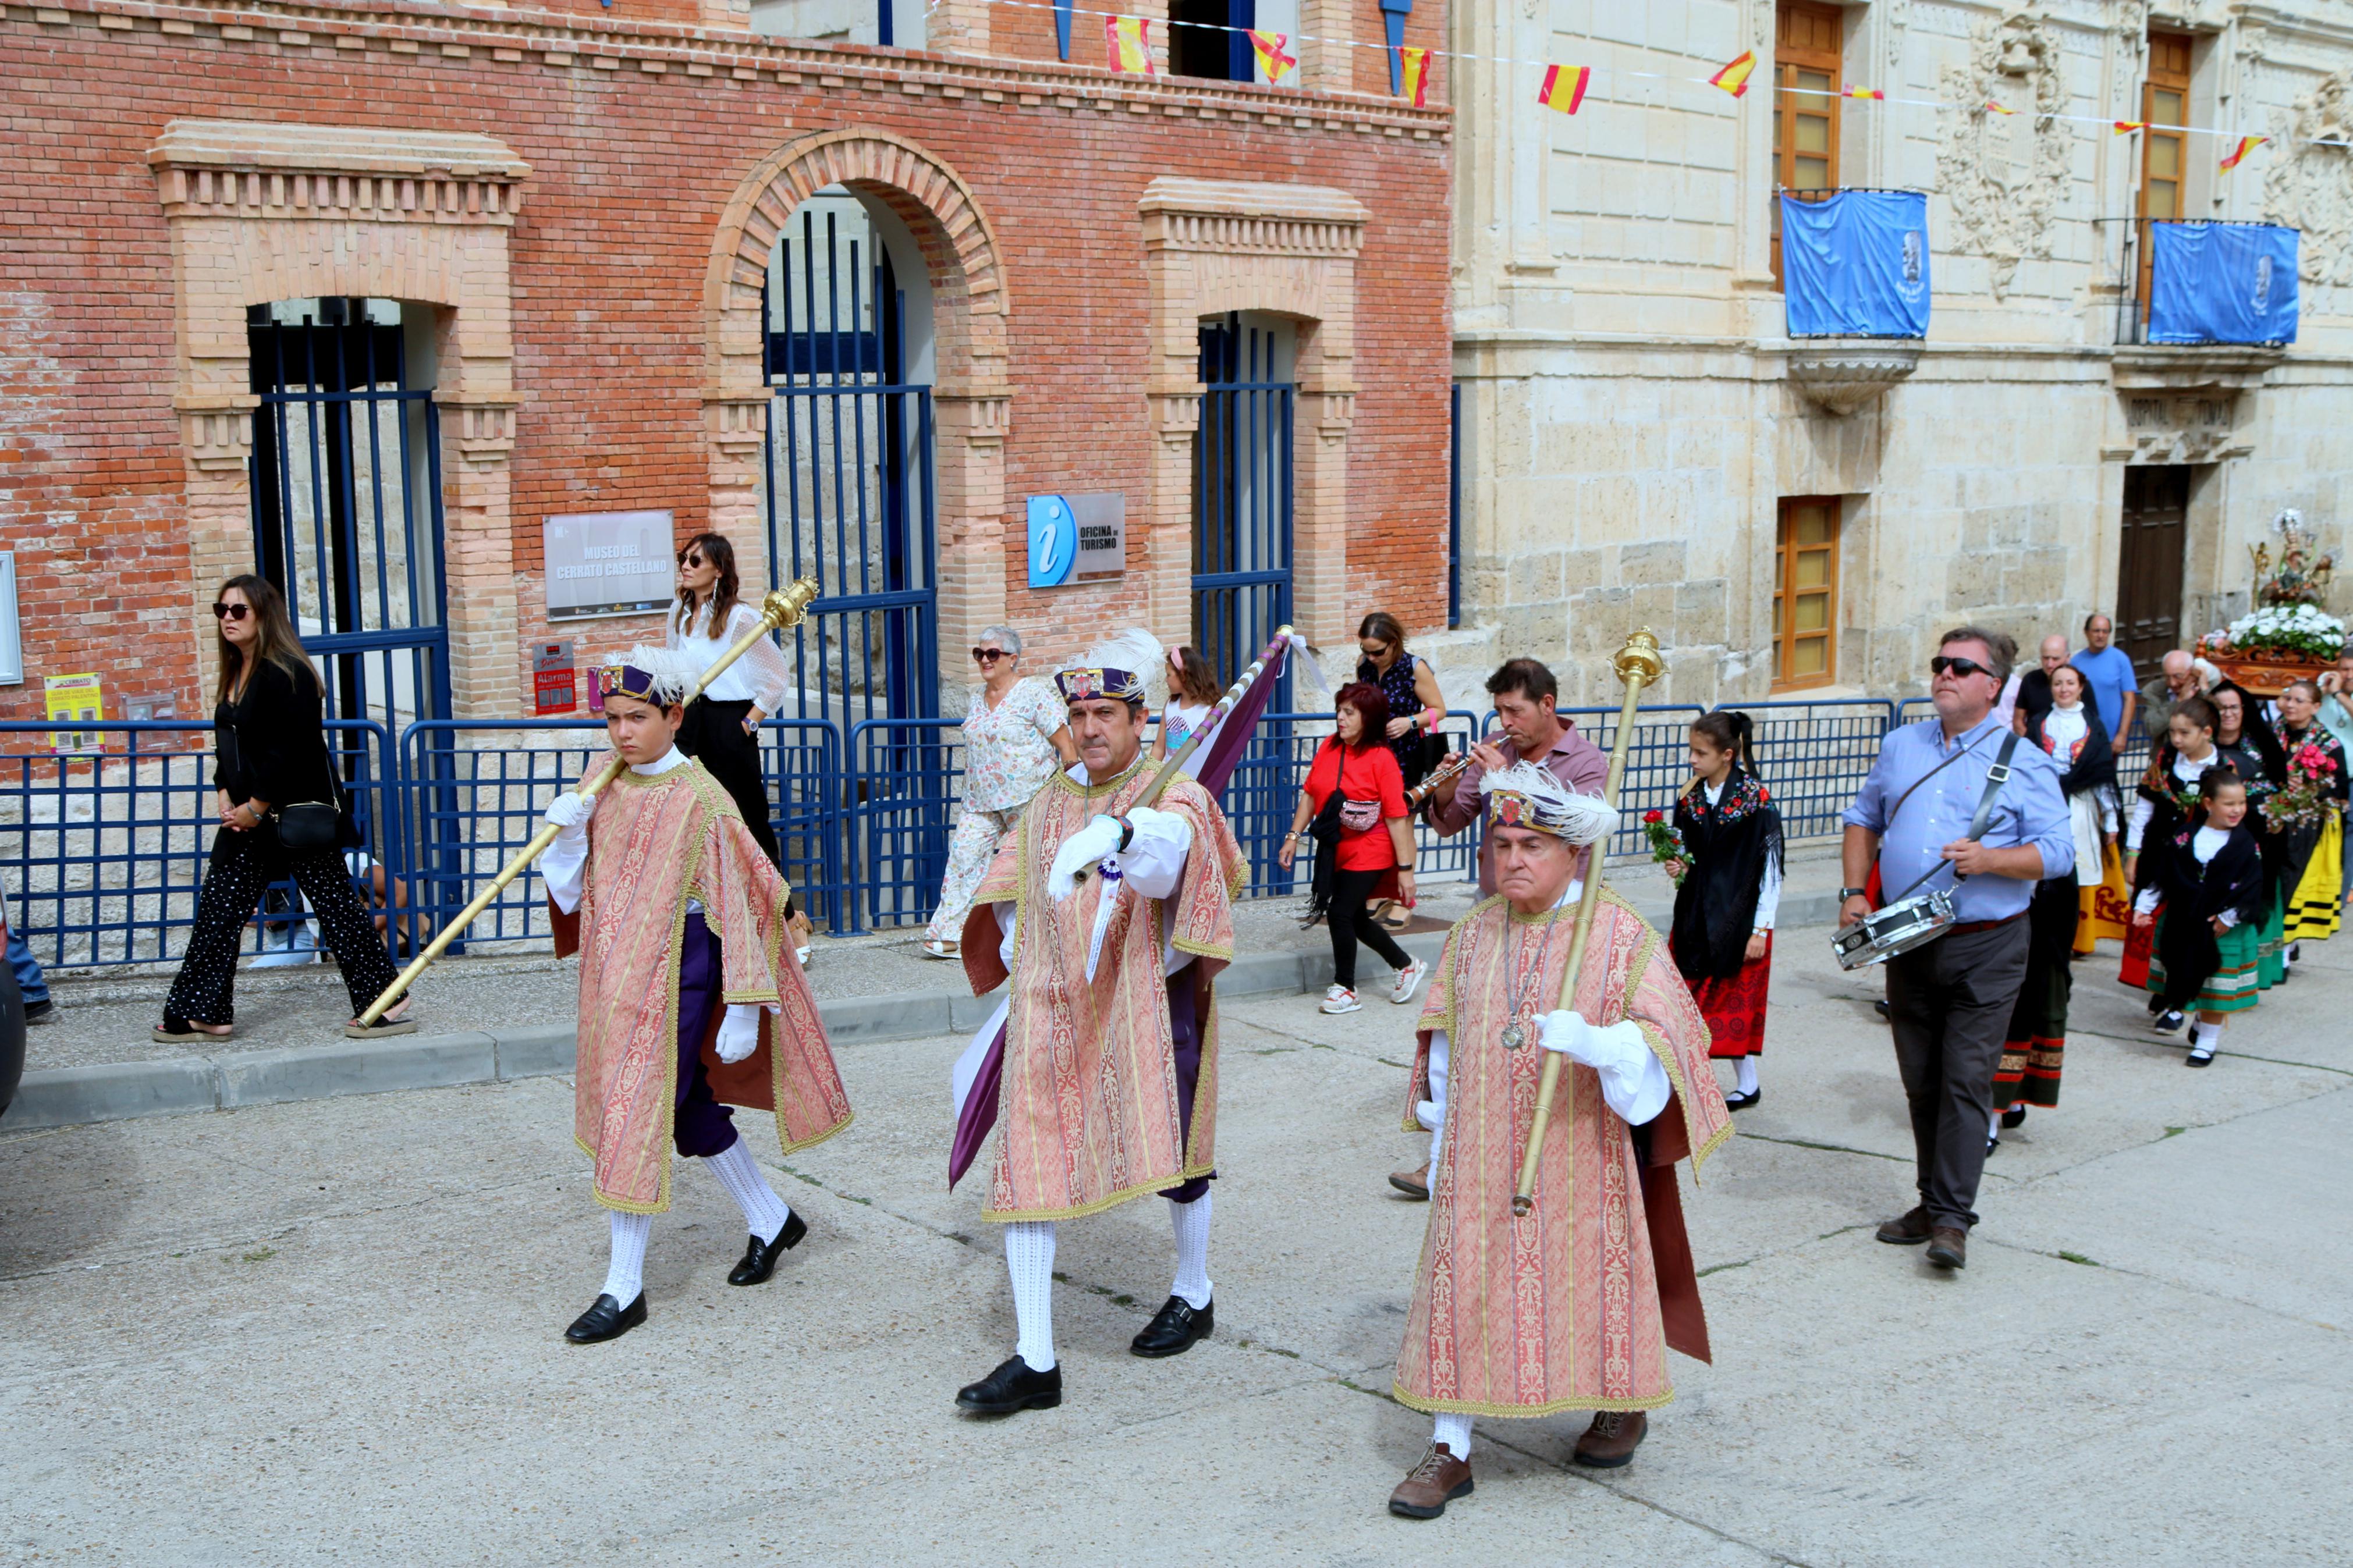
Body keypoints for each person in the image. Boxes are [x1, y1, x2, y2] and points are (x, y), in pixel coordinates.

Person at [1384, 763, 1730, 1519]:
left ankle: (1618, 1400)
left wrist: (1603, 1042)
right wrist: (1440, 1137)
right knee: (1463, 1285)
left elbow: (1669, 1044)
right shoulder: (1472, 934)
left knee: (1588, 1280)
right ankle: (1450, 1445)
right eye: (1500, 842)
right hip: (1479, 1155)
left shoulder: (1615, 933)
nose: (1510, 858)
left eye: (1530, 844)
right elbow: (1440, 1041)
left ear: (1571, 851)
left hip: (1581, 1152)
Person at [949, 630, 1247, 1418]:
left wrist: (1123, 832)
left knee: (1178, 1154)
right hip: (1053, 1004)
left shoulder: (1172, 790)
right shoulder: (1049, 797)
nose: (1088, 727)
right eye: (1078, 712)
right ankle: (1033, 1359)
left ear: (1141, 717)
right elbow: (1011, 883)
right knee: (1028, 1166)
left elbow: (1169, 858)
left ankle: (1192, 1288)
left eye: (1105, 712)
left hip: (1149, 997)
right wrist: (1017, 941)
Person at [538, 649, 852, 1344]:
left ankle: (622, 1288)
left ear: (674, 716)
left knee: (635, 1110)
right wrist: (563, 839)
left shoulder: (703, 801)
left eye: (637, 718)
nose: (622, 733)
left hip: (682, 971)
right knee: (684, 1110)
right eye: (612, 719)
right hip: (615, 974)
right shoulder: (603, 778)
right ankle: (772, 1218)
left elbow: (743, 900)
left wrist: (744, 1004)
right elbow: (572, 890)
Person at [1840, 627, 2071, 1272]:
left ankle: (1951, 1220)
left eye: (1960, 667)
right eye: (1940, 662)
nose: (1943, 673)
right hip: (1909, 939)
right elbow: (1862, 818)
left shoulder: (2022, 759)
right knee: (1921, 1081)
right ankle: (1929, 1200)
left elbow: (2058, 852)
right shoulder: (1900, 744)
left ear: (1991, 685)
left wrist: (1991, 858)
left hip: (1987, 945)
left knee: (1966, 1079)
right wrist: (1854, 890)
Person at [154, 576, 410, 1045]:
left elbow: (288, 750)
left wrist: (256, 804)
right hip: (248, 818)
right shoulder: (235, 671)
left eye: (239, 611)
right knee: (219, 909)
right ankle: (204, 1010)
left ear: (263, 615)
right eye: (221, 609)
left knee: (336, 908)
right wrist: (223, 793)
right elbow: (230, 745)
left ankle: (386, 1001)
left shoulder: (288, 673)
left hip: (292, 815)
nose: (227, 618)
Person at [1992, 663, 2114, 1144]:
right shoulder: (2012, 766)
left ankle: (2015, 1096)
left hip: (2049, 901)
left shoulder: (2063, 836)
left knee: (2040, 993)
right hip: (2006, 910)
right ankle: (1993, 1109)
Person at [921, 625, 1077, 960]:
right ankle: (950, 934)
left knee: (1033, 865)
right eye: (980, 654)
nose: (985, 660)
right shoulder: (978, 697)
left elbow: (1066, 745)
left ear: (1013, 658)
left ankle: (1047, 930)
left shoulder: (1032, 693)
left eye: (993, 654)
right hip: (979, 802)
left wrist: (1071, 788)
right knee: (962, 860)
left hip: (1028, 797)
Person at [1279, 682, 1424, 1018]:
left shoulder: (1382, 758)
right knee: (1356, 917)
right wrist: (1292, 835)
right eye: (1339, 711)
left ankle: (1345, 987)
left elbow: (1396, 816)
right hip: (1338, 846)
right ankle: (1405, 965)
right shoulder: (1330, 746)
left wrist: (1406, 871)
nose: (1340, 718)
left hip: (1373, 847)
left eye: (1349, 712)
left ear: (1368, 718)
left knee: (1341, 913)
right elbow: (1311, 794)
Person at [1663, 711, 1781, 1112]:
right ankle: (1685, 1083)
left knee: (1731, 1008)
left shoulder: (1756, 801)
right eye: (1691, 750)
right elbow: (1682, 847)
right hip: (1695, 916)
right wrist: (1677, 864)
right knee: (1686, 1002)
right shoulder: (1689, 796)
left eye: (1700, 752)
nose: (1692, 759)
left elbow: (1771, 868)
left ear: (1727, 754)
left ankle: (1744, 1084)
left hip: (1738, 919)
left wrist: (1760, 930)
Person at [1428, 659, 1609, 891]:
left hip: (1559, 899)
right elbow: (1448, 827)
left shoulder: (1587, 761)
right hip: (1496, 893)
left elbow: (1573, 833)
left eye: (1514, 711)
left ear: (1547, 704)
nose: (1505, 722)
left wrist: (1503, 782)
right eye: (1499, 711)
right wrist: (1445, 793)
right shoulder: (1494, 745)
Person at [667, 534, 792, 866]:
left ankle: (780, 910)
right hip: (689, 725)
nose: (685, 566)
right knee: (693, 816)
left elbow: (778, 676)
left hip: (729, 723)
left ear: (719, 570)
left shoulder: (741, 618)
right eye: (683, 558)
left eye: (696, 561)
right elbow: (673, 667)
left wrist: (748, 724)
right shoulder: (679, 613)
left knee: (748, 816)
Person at [2134, 767, 2265, 1065]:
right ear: (2208, 804)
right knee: (2186, 975)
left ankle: (2207, 1041)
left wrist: (2229, 917)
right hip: (2185, 921)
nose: (2237, 810)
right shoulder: (2184, 836)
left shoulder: (2246, 845)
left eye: (2242, 803)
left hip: (2223, 928)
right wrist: (2144, 907)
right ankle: (2190, 1017)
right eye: (2229, 804)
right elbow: (2165, 875)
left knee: (2217, 986)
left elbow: (2252, 885)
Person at [2122, 696, 2230, 997]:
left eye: (2185, 733)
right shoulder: (2165, 761)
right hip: (2158, 855)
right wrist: (2133, 855)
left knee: (2187, 925)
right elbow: (2144, 811)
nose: (2176, 739)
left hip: (2197, 864)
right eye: (2173, 733)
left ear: (2206, 733)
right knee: (2153, 922)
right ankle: (2159, 986)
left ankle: (2180, 990)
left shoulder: (2222, 768)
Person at [2209, 680, 2290, 992]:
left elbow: (2280, 789)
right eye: (2220, 708)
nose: (2227, 714)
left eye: (2233, 707)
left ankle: (2256, 971)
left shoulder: (2263, 744)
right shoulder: (2203, 742)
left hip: (2258, 841)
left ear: (2244, 710)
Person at [2272, 679, 2349, 952]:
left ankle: (2287, 944)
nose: (2291, 705)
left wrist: (2308, 787)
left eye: (2299, 701)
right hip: (2273, 818)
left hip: (2305, 826)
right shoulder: (2274, 732)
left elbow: (2339, 786)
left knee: (2292, 880)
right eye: (2288, 698)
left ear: (2316, 707)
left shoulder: (2327, 743)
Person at [1355, 611, 1448, 786]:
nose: (1371, 658)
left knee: (1403, 810)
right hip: (1369, 751)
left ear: (1393, 643)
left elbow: (1439, 710)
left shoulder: (1414, 668)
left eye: (1378, 652)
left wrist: (1409, 722)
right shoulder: (1363, 665)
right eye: (1365, 651)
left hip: (1405, 754)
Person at [1151, 644, 1226, 780]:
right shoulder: (1170, 705)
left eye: (1169, 675)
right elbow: (1159, 747)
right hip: (1168, 782)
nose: (1166, 680)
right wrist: (1149, 775)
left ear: (1183, 675)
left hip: (1194, 782)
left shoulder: (1208, 712)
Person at [2071, 613, 2140, 751]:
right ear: (2087, 632)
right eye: (2096, 631)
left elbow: (2130, 699)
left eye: (2105, 631)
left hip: (2111, 739)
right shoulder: (2076, 662)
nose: (2101, 635)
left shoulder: (2120, 660)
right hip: (2082, 737)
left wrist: (2122, 735)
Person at [2138, 649, 2206, 741]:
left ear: (2192, 672)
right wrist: (2179, 700)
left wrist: (2205, 689)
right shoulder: (2154, 690)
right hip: (2166, 750)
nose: (2173, 683)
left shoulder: (2203, 688)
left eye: (2178, 676)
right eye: (2167, 677)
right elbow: (2152, 728)